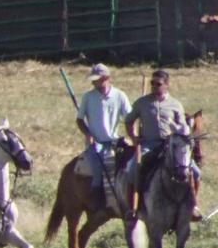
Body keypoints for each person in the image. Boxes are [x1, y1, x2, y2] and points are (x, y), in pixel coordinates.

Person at [127, 69, 199, 220]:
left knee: (195, 172)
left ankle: (193, 206)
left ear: (166, 85)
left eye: (157, 84)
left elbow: (183, 128)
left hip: (170, 145)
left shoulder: (175, 104)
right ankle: (133, 207)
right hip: (148, 144)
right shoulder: (142, 103)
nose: (154, 86)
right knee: (133, 168)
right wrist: (133, 137)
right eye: (152, 83)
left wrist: (182, 132)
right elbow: (129, 120)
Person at [76, 64, 133, 211]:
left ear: (106, 78)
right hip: (96, 143)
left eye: (97, 80)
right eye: (93, 81)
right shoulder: (88, 97)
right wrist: (88, 134)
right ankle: (98, 201)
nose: (94, 83)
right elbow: (80, 120)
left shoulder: (120, 95)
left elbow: (129, 117)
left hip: (115, 142)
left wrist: (132, 133)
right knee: (97, 171)